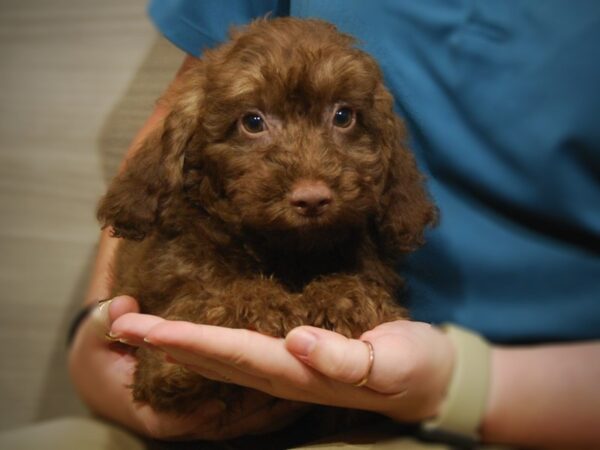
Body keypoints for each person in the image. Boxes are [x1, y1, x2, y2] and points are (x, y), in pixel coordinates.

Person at [64, 1, 600, 449]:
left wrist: (459, 383)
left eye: (342, 118)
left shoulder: (361, 264)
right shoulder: (185, 238)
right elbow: (174, 111)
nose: (311, 183)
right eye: (254, 124)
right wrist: (95, 333)